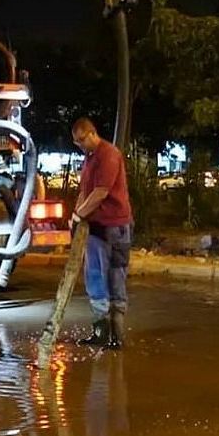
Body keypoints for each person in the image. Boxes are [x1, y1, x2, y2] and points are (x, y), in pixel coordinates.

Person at [70, 118, 133, 349]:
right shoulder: (90, 158)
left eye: (81, 140)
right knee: (97, 277)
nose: (80, 146)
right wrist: (76, 214)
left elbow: (99, 193)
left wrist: (79, 216)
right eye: (76, 143)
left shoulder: (108, 155)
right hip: (100, 226)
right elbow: (85, 191)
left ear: (92, 133)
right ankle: (102, 332)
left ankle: (115, 334)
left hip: (112, 226)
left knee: (112, 276)